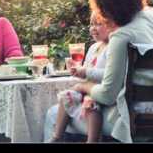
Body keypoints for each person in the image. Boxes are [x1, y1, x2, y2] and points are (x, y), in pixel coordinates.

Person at [69, 0, 153, 143]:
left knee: (53, 115)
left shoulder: (122, 36)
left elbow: (107, 95)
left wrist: (84, 86)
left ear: (106, 6)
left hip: (133, 119)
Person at [44, 12, 117, 143]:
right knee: (66, 96)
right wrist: (76, 69)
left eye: (99, 24)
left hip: (101, 90)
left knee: (90, 106)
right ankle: (57, 136)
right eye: (91, 24)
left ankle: (93, 140)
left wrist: (86, 72)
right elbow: (86, 68)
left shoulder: (113, 47)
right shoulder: (94, 47)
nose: (93, 28)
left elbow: (110, 73)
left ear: (113, 26)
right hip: (87, 88)